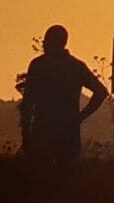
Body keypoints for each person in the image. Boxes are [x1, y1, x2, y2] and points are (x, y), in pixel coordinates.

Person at [19, 24, 108, 165]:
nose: (44, 45)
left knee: (40, 180)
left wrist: (25, 131)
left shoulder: (39, 65)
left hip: (43, 131)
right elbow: (101, 92)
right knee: (65, 180)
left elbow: (28, 100)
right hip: (68, 132)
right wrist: (79, 118)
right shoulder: (76, 66)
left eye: (46, 41)